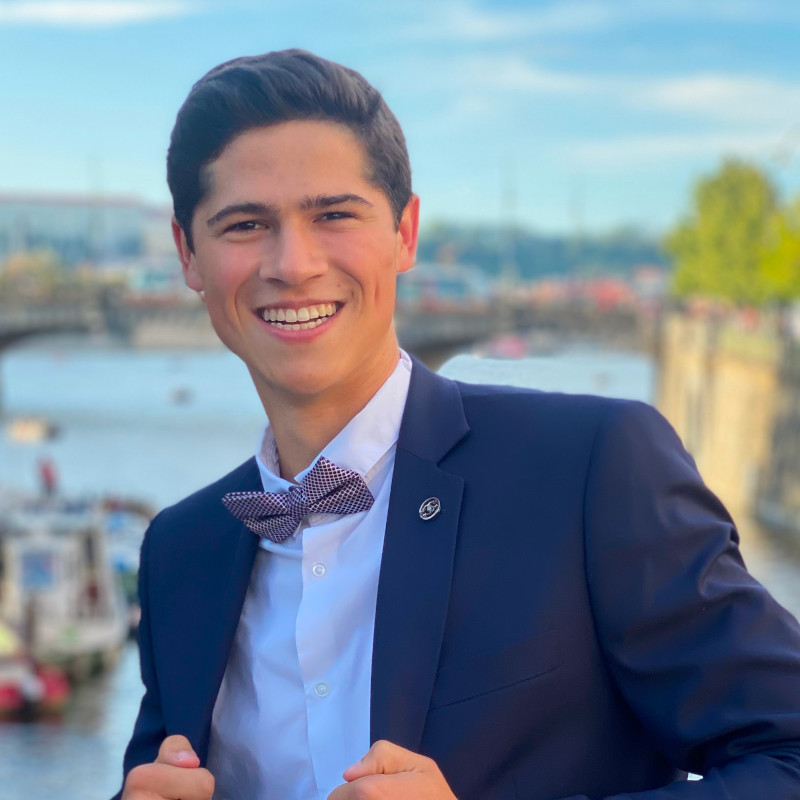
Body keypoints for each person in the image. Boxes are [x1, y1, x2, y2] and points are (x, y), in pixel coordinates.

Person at [116, 50, 800, 800]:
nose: (294, 263)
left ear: (405, 233)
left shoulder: (588, 472)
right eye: (246, 224)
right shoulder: (179, 551)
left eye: (334, 215)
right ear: (189, 255)